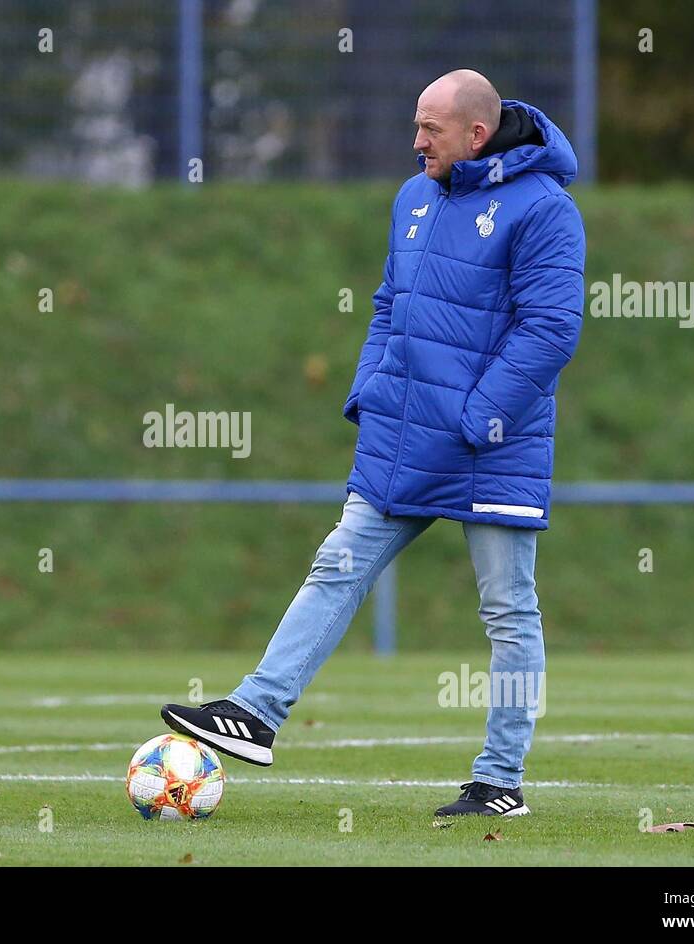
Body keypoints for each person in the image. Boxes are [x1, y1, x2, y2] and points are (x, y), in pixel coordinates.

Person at [162, 69, 586, 818]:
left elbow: (550, 330)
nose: (416, 140)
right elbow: (391, 302)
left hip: (489, 443)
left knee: (508, 609)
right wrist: (374, 386)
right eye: (417, 125)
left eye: (431, 128)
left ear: (476, 135)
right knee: (337, 566)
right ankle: (256, 711)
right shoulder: (413, 196)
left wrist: (474, 414)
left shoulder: (545, 208)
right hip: (404, 432)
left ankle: (500, 781)